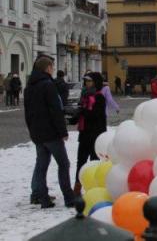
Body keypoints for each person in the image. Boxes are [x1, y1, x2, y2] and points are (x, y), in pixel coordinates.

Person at [24, 56, 75, 208]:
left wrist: (32, 130)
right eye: (52, 67)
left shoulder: (29, 87)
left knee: (41, 166)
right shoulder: (48, 85)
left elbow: (27, 113)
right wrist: (62, 131)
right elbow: (55, 111)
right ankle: (69, 198)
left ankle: (43, 199)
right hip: (52, 133)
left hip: (37, 134)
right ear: (47, 68)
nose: (53, 70)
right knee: (64, 164)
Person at [74, 73, 107, 194]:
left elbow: (95, 115)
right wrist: (73, 115)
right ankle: (77, 188)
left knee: (94, 162)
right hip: (84, 134)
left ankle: (94, 188)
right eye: (86, 81)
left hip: (95, 134)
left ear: (96, 82)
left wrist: (82, 111)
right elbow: (81, 114)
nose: (87, 83)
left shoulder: (99, 97)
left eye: (89, 81)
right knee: (80, 161)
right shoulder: (84, 96)